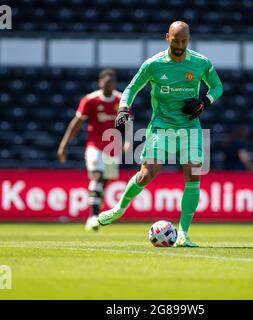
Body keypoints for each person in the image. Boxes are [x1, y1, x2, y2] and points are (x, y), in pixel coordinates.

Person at [98, 21, 223, 247]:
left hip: (190, 127)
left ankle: (184, 234)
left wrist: (205, 101)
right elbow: (131, 88)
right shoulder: (153, 65)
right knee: (147, 174)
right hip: (161, 127)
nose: (180, 45)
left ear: (189, 39)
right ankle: (119, 209)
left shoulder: (200, 62)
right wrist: (124, 108)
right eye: (176, 41)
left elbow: (217, 87)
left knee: (193, 176)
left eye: (184, 41)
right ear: (167, 37)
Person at [57, 69, 129, 231]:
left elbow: (128, 124)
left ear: (115, 83)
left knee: (103, 183)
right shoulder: (90, 100)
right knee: (96, 176)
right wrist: (64, 144)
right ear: (100, 82)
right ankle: (93, 217)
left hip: (113, 149)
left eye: (112, 81)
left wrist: (128, 141)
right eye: (106, 80)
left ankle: (96, 211)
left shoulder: (121, 100)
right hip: (95, 147)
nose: (109, 83)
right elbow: (76, 123)